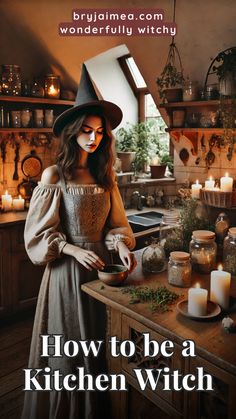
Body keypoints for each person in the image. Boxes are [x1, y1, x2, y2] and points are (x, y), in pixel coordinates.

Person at [21, 64, 137, 419]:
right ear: (73, 131)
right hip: (67, 274)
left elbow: (117, 225)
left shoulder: (106, 175)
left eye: (99, 132)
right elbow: (37, 234)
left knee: (100, 348)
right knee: (71, 352)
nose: (93, 138)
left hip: (103, 271)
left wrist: (119, 245)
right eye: (86, 130)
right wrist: (70, 248)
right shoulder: (55, 174)